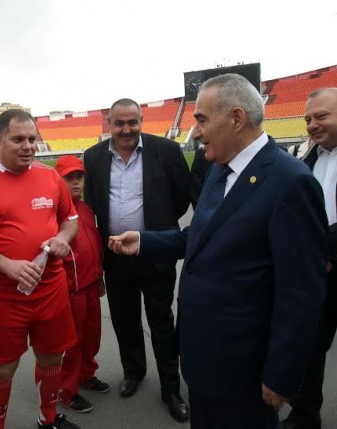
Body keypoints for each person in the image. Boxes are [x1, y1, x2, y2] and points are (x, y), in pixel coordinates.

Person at [108, 74, 328, 429]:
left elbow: (301, 291)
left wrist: (281, 373)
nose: (195, 131)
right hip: (203, 357)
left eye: (202, 119)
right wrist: (146, 241)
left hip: (246, 367)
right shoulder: (219, 169)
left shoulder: (291, 182)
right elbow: (201, 236)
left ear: (236, 118)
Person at [0, 109, 80, 429]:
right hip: (4, 297)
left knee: (53, 358)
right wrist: (7, 265)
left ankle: (46, 419)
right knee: (3, 368)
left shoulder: (50, 176)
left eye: (32, 139)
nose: (28, 146)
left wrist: (63, 238)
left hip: (51, 288)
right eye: (18, 139)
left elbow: (71, 220)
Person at [83, 98, 191, 421]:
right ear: (110, 125)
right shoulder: (93, 157)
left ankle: (171, 388)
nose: (127, 129)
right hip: (115, 256)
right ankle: (134, 372)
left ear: (142, 121)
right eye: (120, 123)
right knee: (124, 318)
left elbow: (181, 198)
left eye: (133, 122)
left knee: (161, 321)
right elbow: (92, 204)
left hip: (155, 251)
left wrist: (154, 235)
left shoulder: (167, 151)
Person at [280, 87, 337, 429]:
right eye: (308, 119)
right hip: (317, 276)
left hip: (324, 260)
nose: (313, 125)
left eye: (322, 116)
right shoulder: (308, 159)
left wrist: (323, 249)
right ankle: (304, 416)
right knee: (310, 350)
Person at [54, 155, 109, 414]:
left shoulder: (86, 209)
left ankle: (86, 375)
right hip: (70, 290)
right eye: (69, 178)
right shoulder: (54, 213)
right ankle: (66, 389)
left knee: (90, 337)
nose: (76, 183)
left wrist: (99, 277)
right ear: (58, 180)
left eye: (79, 177)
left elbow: (93, 246)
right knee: (71, 343)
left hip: (89, 285)